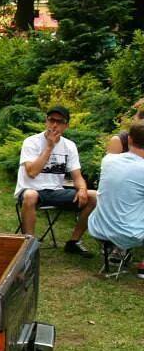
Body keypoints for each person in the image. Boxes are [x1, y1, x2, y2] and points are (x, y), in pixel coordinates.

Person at [15, 104, 97, 257]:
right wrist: (49, 147)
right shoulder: (31, 142)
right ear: (46, 121)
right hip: (30, 190)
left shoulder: (69, 146)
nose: (54, 125)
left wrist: (82, 189)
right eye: (51, 120)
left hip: (55, 191)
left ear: (66, 125)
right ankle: (28, 246)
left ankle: (73, 242)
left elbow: (77, 176)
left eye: (59, 122)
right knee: (31, 195)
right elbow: (32, 172)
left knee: (94, 196)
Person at [89, 121, 144, 276]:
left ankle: (119, 251)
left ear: (129, 139)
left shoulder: (108, 160)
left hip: (98, 228)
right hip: (129, 234)